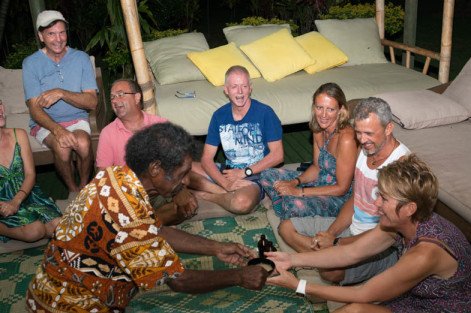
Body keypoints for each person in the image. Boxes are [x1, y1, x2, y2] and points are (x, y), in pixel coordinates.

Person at [16, 122, 268, 313]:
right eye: (182, 174)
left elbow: (154, 230)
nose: (186, 182)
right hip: (75, 307)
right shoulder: (131, 214)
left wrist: (215, 248)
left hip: (45, 291)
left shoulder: (116, 177)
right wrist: (239, 277)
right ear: (156, 169)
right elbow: (179, 281)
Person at [213, 154, 471, 313]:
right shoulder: (401, 223)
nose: (377, 203)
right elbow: (350, 252)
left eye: (385, 199)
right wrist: (292, 260)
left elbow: (364, 294)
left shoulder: (426, 252)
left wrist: (299, 285)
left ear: (409, 208)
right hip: (420, 304)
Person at [280, 97, 410, 286]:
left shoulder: (402, 166)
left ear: (388, 128)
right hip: (351, 228)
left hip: (379, 244)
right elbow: (355, 200)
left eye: (369, 133)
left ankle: (326, 265)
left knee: (330, 270)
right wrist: (331, 234)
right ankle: (325, 260)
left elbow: (391, 234)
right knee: (286, 227)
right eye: (359, 133)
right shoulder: (365, 150)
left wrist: (336, 244)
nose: (363, 140)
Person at [96, 78, 197, 225]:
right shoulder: (108, 133)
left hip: (160, 192)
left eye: (120, 94)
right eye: (112, 97)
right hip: (129, 196)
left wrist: (180, 191)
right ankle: (146, 223)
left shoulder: (160, 124)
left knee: (187, 205)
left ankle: (145, 224)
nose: (115, 100)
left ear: (137, 97)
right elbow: (102, 177)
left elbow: (177, 164)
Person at [22, 10, 98, 197]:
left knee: (83, 144)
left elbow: (92, 102)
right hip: (45, 122)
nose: (58, 39)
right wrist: (58, 130)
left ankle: (83, 187)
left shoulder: (81, 58)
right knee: (62, 148)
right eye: (51, 34)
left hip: (76, 118)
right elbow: (34, 108)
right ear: (41, 36)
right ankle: (72, 190)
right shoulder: (31, 63)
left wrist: (61, 93)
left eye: (61, 32)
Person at [189, 65, 284, 214]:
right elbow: (207, 159)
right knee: (180, 168)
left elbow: (278, 155)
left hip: (256, 174)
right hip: (229, 172)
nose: (240, 92)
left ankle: (207, 195)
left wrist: (244, 172)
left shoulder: (265, 112)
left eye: (244, 86)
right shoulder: (219, 115)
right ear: (226, 89)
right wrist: (225, 183)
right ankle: (222, 190)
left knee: (241, 204)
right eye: (234, 87)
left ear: (250, 88)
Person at [260, 83, 358, 220]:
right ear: (314, 106)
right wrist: (294, 182)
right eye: (319, 107)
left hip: (338, 197)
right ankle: (284, 206)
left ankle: (286, 207)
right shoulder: (318, 128)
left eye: (330, 109)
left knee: (295, 205)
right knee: (267, 174)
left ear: (341, 109)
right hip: (318, 183)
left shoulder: (347, 139)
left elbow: (342, 188)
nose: (323, 115)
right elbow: (316, 167)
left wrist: (300, 192)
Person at [0, 99, 61, 242]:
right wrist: (7, 205)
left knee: (59, 226)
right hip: (2, 202)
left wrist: (16, 201)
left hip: (27, 194)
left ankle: (34, 225)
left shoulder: (18, 135)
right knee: (35, 231)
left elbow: (30, 175)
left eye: (0, 104)